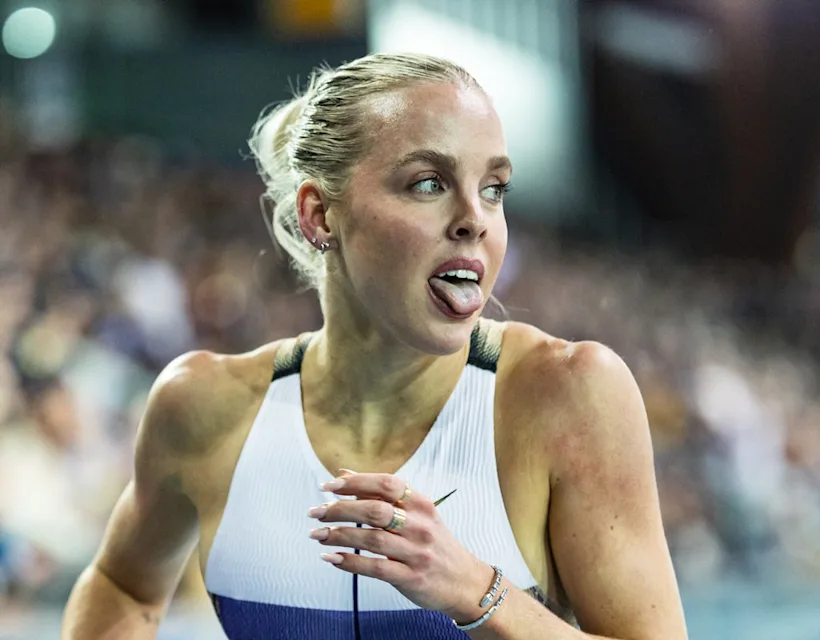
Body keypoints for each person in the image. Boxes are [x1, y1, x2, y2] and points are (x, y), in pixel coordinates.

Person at [61, 52, 687, 639]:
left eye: (494, 188)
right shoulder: (201, 405)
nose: (475, 217)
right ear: (320, 215)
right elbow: (123, 586)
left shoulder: (569, 394)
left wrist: (474, 590)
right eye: (427, 183)